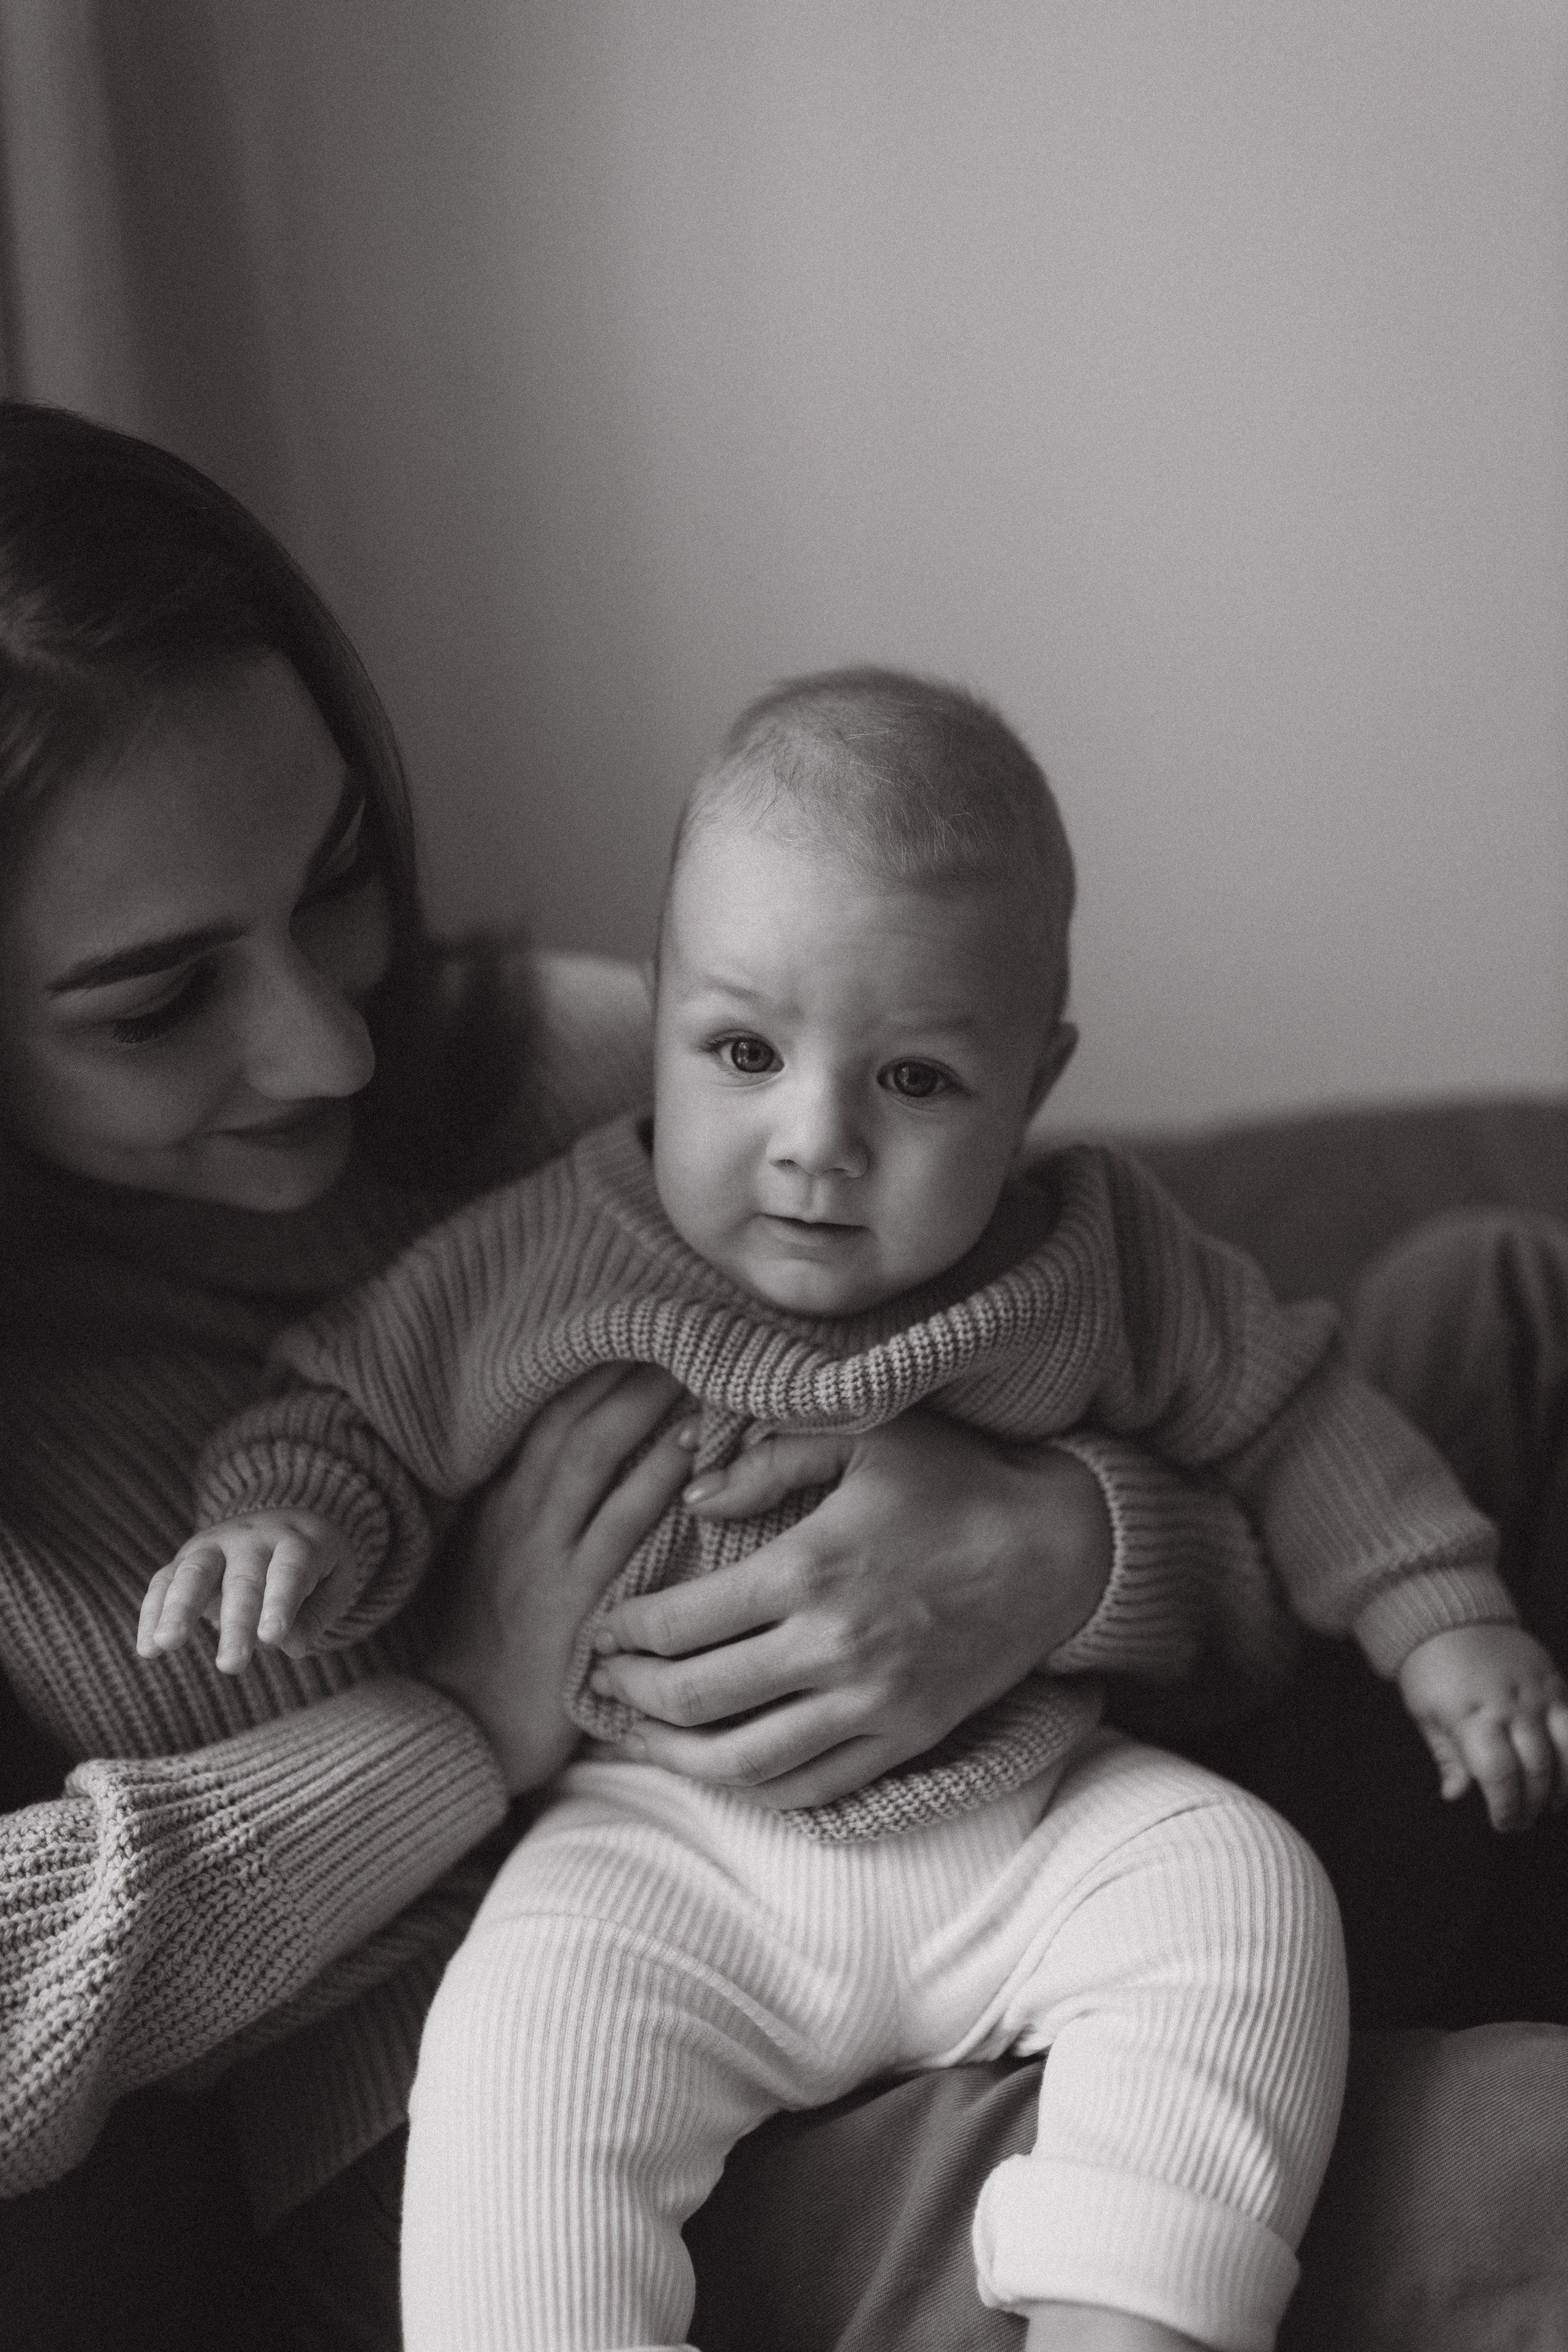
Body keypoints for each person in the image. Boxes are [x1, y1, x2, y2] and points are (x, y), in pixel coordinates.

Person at [0, 407, 1305, 2352]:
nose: (332, 1049)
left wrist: (1068, 1546)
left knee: (1495, 1311)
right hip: (529, 2092)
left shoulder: (614, 1065)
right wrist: (458, 1722)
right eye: (160, 999)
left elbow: (1148, 1363)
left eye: (341, 876)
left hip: (1026, 1830)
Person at [167, 671, 1555, 2351]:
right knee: (521, 2046)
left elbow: (1294, 1410)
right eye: (743, 1052)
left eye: (914, 1082)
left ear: (1034, 1080)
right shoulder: (551, 1245)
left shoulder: (1097, 1253)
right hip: (668, 1845)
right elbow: (358, 1408)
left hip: (1033, 1817)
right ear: (659, 1014)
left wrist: (1442, 1613)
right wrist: (288, 1524)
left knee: (1241, 1885)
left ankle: (1137, 2316)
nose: (814, 1143)